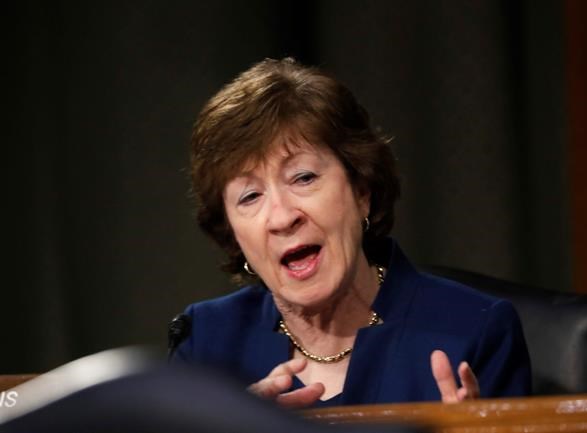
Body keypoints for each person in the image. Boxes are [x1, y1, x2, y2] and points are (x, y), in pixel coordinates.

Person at [172, 57, 531, 408]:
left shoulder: (474, 331)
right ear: (233, 233)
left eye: (303, 178)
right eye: (250, 196)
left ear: (362, 191)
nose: (281, 218)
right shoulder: (205, 343)